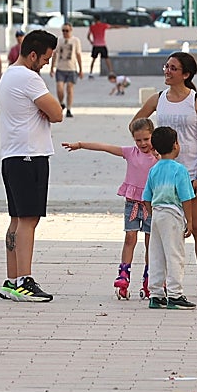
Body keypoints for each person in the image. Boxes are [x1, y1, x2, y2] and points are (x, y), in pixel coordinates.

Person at [132, 52, 197, 299]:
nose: (167, 71)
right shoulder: (158, 99)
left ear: (186, 74)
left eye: (173, 68)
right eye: (166, 67)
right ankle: (160, 284)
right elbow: (137, 122)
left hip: (191, 173)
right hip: (165, 175)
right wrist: (147, 146)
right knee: (160, 231)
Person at [0, 29, 63, 303]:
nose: (47, 63)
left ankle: (12, 280)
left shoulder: (9, 74)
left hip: (12, 155)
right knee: (29, 220)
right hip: (29, 156)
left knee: (16, 219)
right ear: (33, 54)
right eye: (45, 58)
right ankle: (24, 279)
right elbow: (57, 113)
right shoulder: (28, 77)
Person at [62, 117, 157, 299]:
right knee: (130, 237)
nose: (143, 143)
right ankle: (124, 273)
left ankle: (150, 276)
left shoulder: (158, 156)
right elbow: (105, 147)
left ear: (153, 135)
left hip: (151, 205)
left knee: (150, 243)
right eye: (138, 140)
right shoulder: (131, 153)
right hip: (132, 204)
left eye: (146, 139)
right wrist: (80, 144)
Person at [142, 126, 197, 309]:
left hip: (156, 213)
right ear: (175, 145)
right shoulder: (179, 170)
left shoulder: (154, 169)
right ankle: (175, 294)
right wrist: (189, 221)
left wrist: (152, 215)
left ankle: (156, 294)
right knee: (175, 254)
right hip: (173, 215)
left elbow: (146, 198)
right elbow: (186, 197)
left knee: (156, 254)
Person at [51, 23, 84, 118]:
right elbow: (55, 54)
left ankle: (69, 108)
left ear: (71, 30)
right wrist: (52, 67)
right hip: (60, 68)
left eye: (67, 30)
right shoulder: (59, 40)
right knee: (59, 88)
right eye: (63, 30)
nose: (65, 32)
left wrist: (81, 69)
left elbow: (78, 55)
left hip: (72, 68)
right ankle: (61, 103)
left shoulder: (75, 41)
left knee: (70, 89)